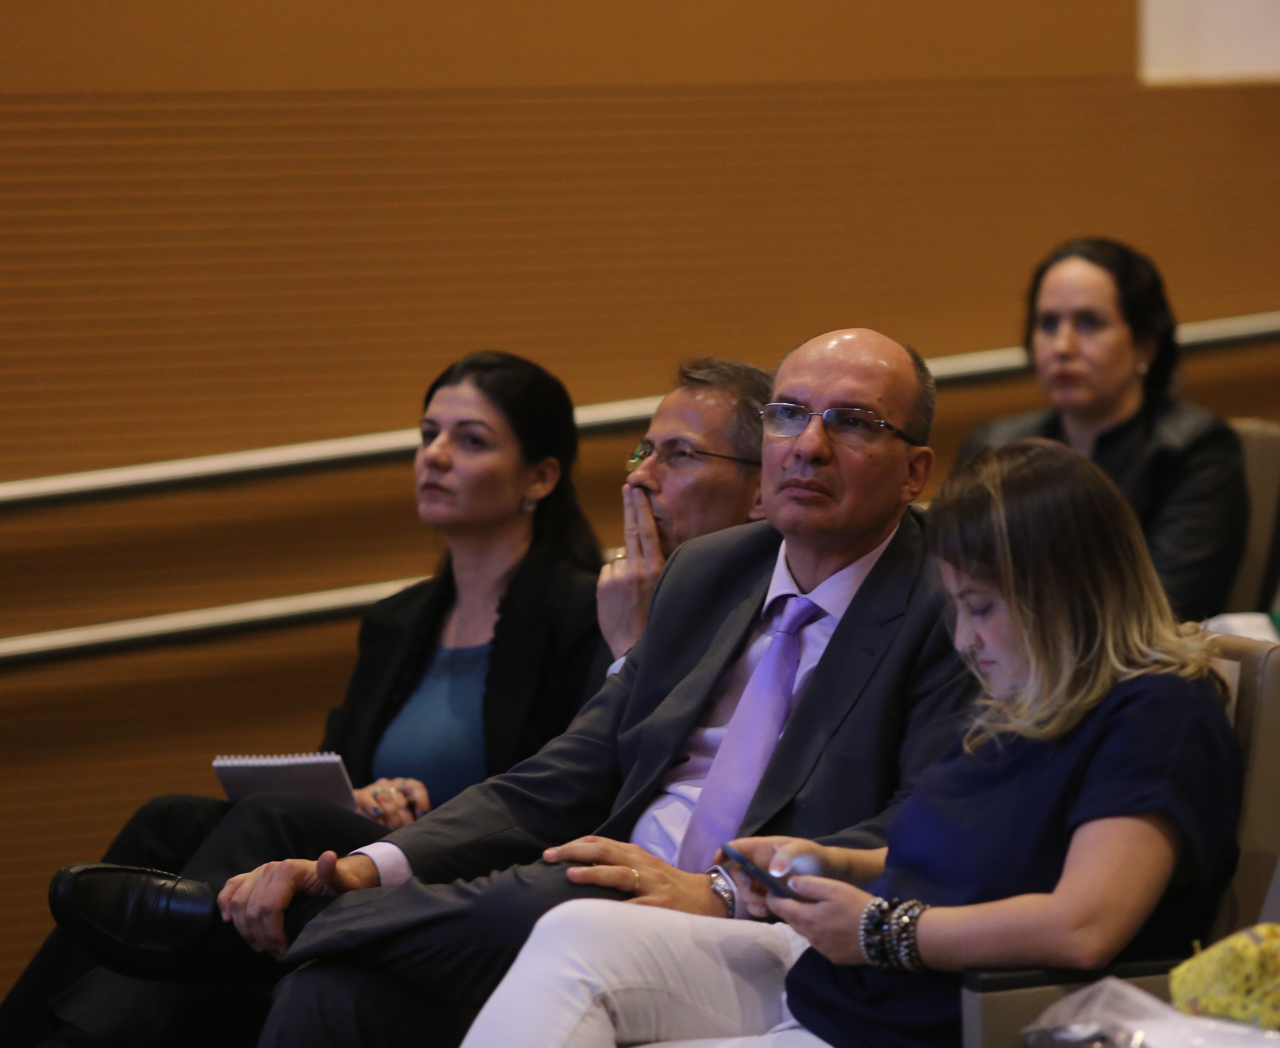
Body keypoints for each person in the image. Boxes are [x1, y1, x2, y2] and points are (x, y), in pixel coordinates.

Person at [53, 330, 977, 1048]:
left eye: (854, 423)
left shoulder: (949, 600)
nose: (808, 445)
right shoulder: (713, 571)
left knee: (559, 898)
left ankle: (249, 927)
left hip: (762, 922)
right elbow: (568, 767)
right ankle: (300, 922)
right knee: (334, 996)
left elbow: (923, 821)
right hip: (618, 876)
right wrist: (369, 864)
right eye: (788, 414)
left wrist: (728, 889)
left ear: (916, 471)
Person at [459, 437, 1244, 1048]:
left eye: (981, 607)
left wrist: (879, 927)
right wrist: (827, 862)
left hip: (935, 1014)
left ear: (1067, 592)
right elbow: (962, 856)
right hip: (852, 979)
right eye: (957, 608)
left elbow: (1083, 925)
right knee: (574, 928)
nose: (965, 640)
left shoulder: (1158, 712)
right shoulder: (1027, 702)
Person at [3, 351, 609, 1048]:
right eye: (428, 434)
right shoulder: (398, 619)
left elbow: (560, 790)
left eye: (470, 440)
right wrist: (367, 796)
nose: (435, 455)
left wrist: (427, 814)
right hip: (361, 847)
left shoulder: (582, 614)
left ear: (540, 476)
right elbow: (338, 770)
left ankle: (90, 1041)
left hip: (466, 868)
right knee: (168, 819)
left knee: (271, 821)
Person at [957, 237, 1247, 621]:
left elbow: (1170, 604)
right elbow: (952, 587)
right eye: (1048, 323)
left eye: (1089, 323)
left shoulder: (1195, 449)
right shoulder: (994, 448)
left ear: (1145, 345)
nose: (1062, 346)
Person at [597, 356, 770, 661]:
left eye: (680, 454)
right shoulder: (624, 595)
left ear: (763, 492)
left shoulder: (778, 623)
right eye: (645, 452)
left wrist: (632, 647)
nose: (638, 476)